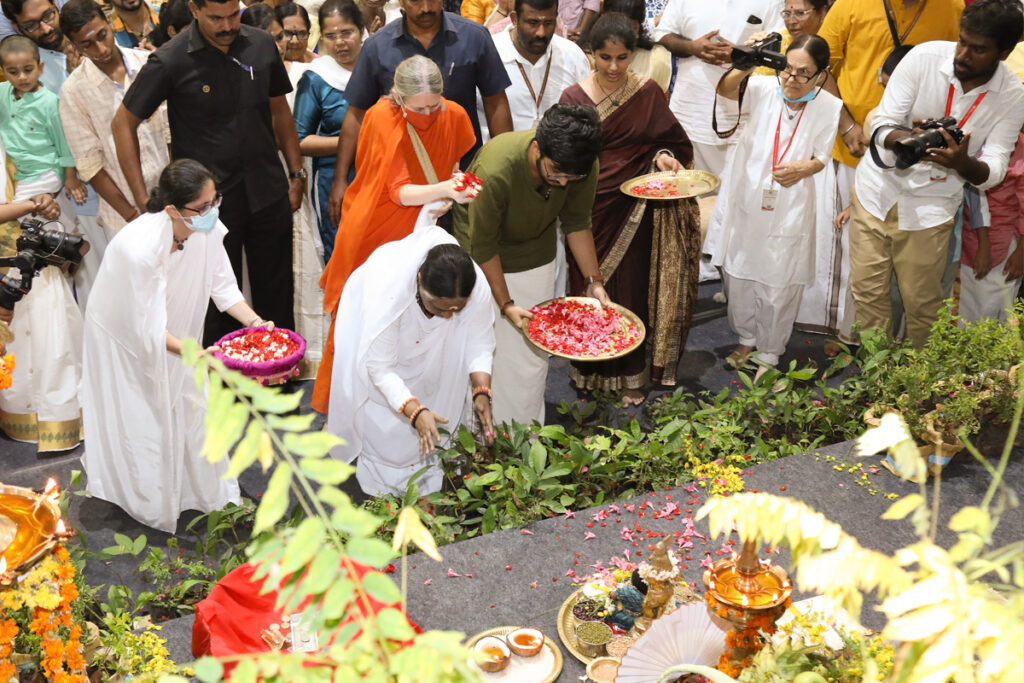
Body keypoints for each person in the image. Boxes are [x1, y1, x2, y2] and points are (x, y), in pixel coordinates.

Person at [80, 159, 269, 533]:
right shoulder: (139, 249)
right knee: (146, 418)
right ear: (171, 209)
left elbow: (223, 287)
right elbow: (143, 330)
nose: (212, 212)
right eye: (203, 207)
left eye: (216, 201)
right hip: (126, 343)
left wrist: (256, 324)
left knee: (192, 406)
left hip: (177, 339)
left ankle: (202, 492)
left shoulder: (208, 230)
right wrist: (199, 355)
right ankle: (147, 498)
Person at [113, 0, 305, 347]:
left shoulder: (261, 44)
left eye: (234, 15)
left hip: (267, 189)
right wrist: (144, 200)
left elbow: (279, 111)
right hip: (206, 209)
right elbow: (123, 124)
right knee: (215, 306)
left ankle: (280, 380)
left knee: (276, 292)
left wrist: (296, 173)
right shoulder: (170, 59)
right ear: (195, 9)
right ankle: (218, 391)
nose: (227, 26)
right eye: (216, 18)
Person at [849, 0, 1024, 348]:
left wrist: (961, 162)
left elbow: (994, 170)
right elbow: (883, 121)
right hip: (875, 192)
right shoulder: (924, 58)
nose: (963, 54)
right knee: (867, 295)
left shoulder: (1013, 96)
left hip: (930, 210)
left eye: (978, 49)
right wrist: (908, 140)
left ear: (1004, 52)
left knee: (923, 304)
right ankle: (876, 380)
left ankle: (917, 392)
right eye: (962, 41)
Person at [312, 55, 478, 413]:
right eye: (419, 108)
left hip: (423, 227)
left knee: (413, 317)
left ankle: (406, 403)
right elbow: (398, 192)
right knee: (359, 320)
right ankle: (341, 411)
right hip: (375, 229)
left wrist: (453, 185)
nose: (429, 114)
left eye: (435, 104)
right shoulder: (380, 117)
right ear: (398, 98)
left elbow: (452, 162)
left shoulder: (454, 114)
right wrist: (447, 189)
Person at [559, 13, 699, 404]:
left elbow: (671, 142)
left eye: (622, 58)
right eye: (605, 58)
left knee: (631, 289)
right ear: (592, 54)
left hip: (634, 209)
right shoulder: (573, 98)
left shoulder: (647, 93)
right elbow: (566, 154)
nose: (614, 67)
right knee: (588, 287)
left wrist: (666, 159)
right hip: (587, 208)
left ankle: (630, 375)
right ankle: (589, 373)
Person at [453, 103, 611, 426]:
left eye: (573, 176)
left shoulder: (579, 163)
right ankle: (483, 435)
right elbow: (483, 246)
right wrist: (506, 303)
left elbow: (578, 223)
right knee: (489, 351)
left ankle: (525, 434)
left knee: (530, 357)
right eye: (556, 172)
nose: (564, 183)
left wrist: (594, 281)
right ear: (537, 147)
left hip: (535, 251)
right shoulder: (496, 169)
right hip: (485, 257)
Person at [327, 206, 495, 496]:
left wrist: (481, 391)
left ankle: (426, 496)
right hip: (387, 365)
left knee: (438, 424)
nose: (448, 316)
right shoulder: (388, 290)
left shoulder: (474, 283)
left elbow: (480, 339)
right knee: (388, 437)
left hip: (440, 356)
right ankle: (384, 501)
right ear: (419, 281)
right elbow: (379, 368)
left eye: (457, 310)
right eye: (439, 308)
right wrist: (415, 411)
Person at [705, 34, 841, 375]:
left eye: (803, 73)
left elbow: (822, 156)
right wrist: (746, 61)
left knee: (779, 280)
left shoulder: (829, 105)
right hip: (749, 196)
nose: (793, 80)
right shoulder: (764, 88)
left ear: (822, 74)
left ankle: (770, 350)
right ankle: (747, 337)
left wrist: (804, 168)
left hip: (791, 202)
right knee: (739, 273)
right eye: (788, 70)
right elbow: (725, 90)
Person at [324, 0, 512, 225]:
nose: (425, 8)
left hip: (463, 175)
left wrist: (504, 170)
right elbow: (356, 115)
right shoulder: (377, 46)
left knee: (467, 252)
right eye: (415, 1)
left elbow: (496, 103)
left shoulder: (474, 37)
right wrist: (340, 179)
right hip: (402, 187)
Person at [59, 0, 170, 234]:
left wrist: (178, 194)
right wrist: (133, 216)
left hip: (172, 199)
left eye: (102, 35)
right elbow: (91, 166)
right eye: (87, 44)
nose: (101, 49)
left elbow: (172, 133)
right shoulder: (73, 92)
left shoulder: (148, 64)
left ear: (109, 22)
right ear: (75, 46)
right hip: (125, 217)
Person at [653, 0, 785, 177]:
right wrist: (692, 47)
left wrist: (738, 54)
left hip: (742, 120)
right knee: (688, 193)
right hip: (688, 115)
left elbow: (779, 45)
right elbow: (662, 36)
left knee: (736, 197)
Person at [294, 0, 362, 260]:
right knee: (342, 256)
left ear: (361, 30)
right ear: (321, 38)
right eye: (331, 36)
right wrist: (352, 141)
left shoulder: (376, 68)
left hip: (381, 174)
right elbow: (300, 140)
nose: (340, 42)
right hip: (334, 181)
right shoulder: (317, 78)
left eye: (346, 32)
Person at [481, 0, 587, 136]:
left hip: (557, 155)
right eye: (532, 23)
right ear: (514, 19)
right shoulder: (489, 52)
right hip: (499, 153)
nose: (541, 33)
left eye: (548, 23)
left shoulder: (573, 56)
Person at [960, 130, 1023, 323]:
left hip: (1005, 245)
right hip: (971, 239)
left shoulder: (1019, 146)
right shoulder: (980, 137)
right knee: (971, 310)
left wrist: (1021, 252)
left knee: (996, 312)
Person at [1, 0, 82, 93]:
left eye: (48, 15)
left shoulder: (86, 34)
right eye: (31, 25)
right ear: (17, 28)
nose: (46, 29)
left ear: (55, 5)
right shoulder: (27, 74)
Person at [600, 0, 671, 91]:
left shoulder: (656, 59)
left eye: (628, 26)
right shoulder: (592, 55)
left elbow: (654, 101)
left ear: (637, 27)